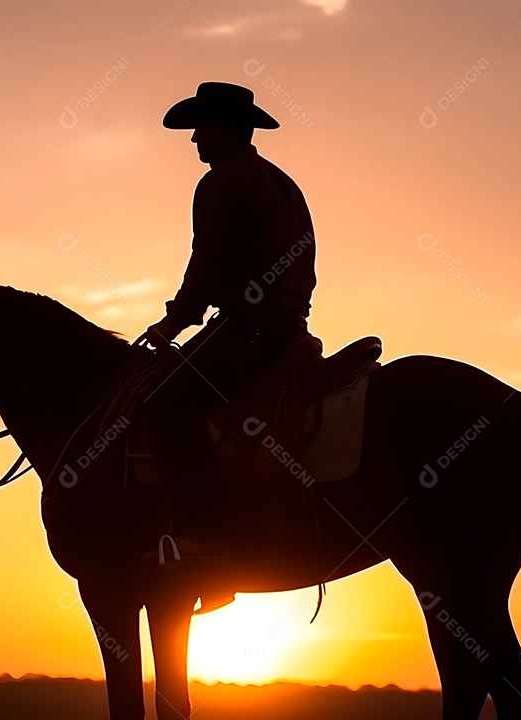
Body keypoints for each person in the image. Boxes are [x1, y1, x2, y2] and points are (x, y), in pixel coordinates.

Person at [136, 82, 319, 572]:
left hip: (247, 330)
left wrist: (173, 321)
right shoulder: (281, 182)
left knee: (166, 402)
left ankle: (204, 537)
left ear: (225, 130)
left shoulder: (222, 182)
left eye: (202, 128)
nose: (195, 139)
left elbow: (208, 263)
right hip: (286, 323)